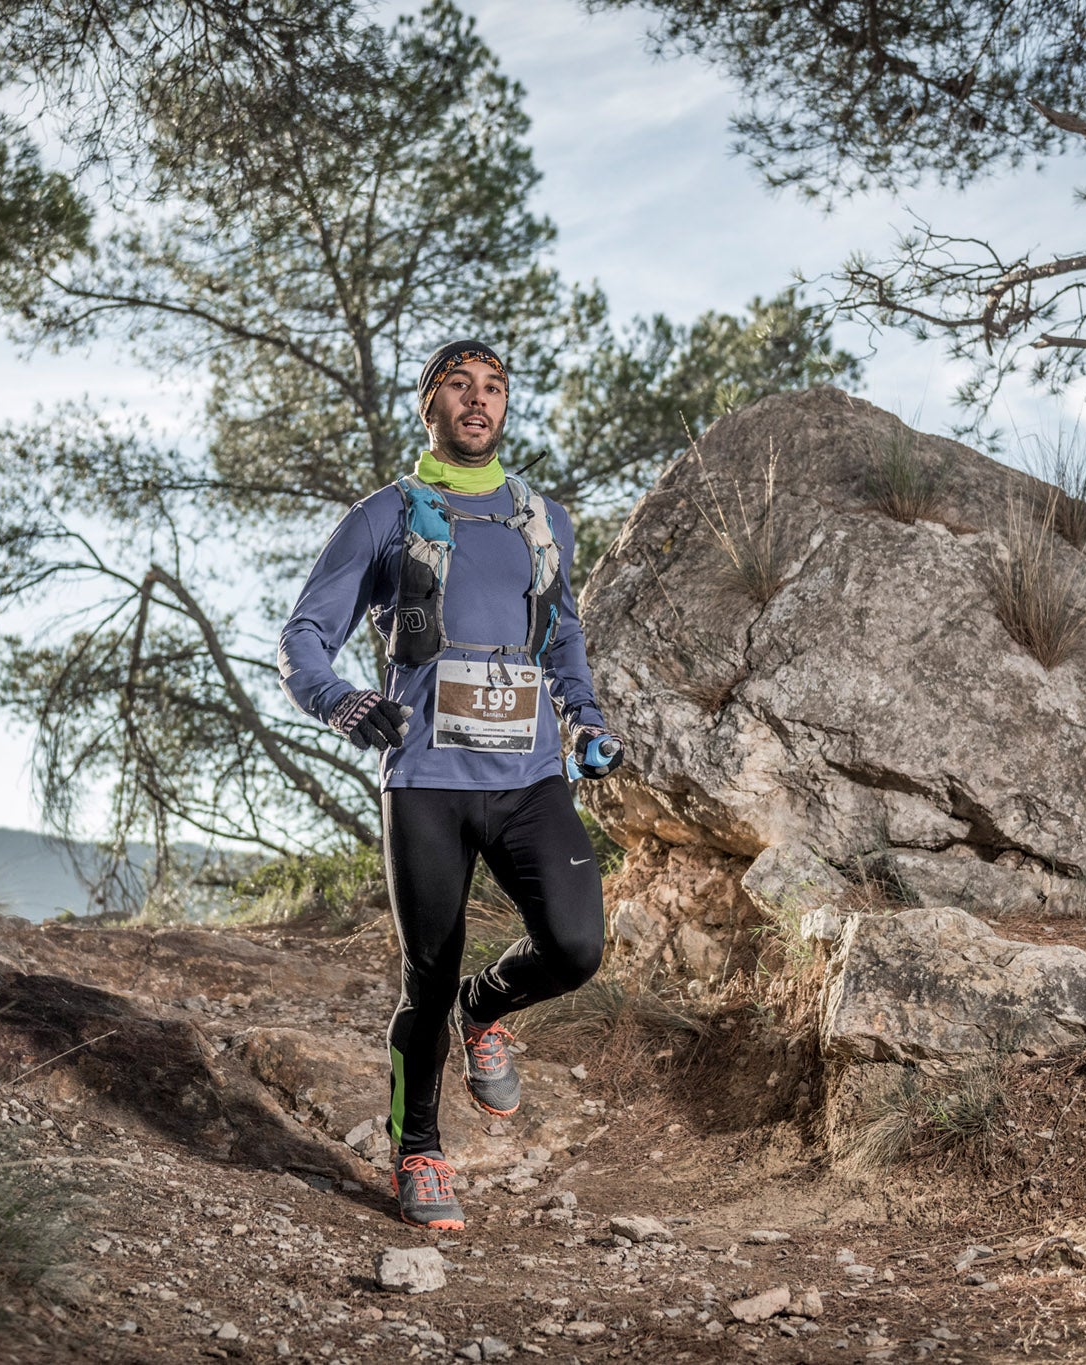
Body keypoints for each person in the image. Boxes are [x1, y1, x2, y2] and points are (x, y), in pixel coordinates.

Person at [277, 339, 622, 1231]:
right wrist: (343, 703)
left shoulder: (544, 520)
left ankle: (489, 1004)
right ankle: (421, 1150)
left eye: (494, 387)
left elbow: (564, 639)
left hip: (529, 776)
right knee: (424, 977)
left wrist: (582, 717)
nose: (479, 400)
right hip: (426, 777)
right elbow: (303, 636)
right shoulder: (384, 516)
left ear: (506, 407)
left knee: (578, 945)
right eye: (459, 386)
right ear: (427, 406)